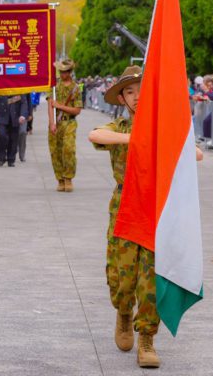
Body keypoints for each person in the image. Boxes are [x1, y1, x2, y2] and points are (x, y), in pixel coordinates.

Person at [88, 65, 160, 368]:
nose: (136, 96)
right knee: (122, 274)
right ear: (122, 98)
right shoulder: (118, 126)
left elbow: (195, 153)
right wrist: (134, 138)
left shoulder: (162, 125)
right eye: (129, 92)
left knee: (152, 275)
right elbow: (95, 134)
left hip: (155, 206)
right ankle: (123, 313)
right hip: (125, 204)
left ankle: (147, 339)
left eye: (141, 90)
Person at [48, 59, 83, 192]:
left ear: (70, 72)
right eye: (61, 71)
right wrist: (52, 123)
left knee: (68, 149)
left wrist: (60, 106)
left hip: (70, 122)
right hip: (56, 123)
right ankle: (60, 179)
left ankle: (68, 178)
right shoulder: (54, 86)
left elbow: (77, 110)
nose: (63, 74)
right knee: (55, 151)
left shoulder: (76, 88)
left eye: (66, 72)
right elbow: (50, 105)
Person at [0, 92, 28, 167]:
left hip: (15, 116)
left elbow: (24, 102)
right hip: (2, 116)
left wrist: (22, 115)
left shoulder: (19, 88)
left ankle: (11, 159)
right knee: (2, 136)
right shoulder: (0, 87)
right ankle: (2, 157)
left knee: (13, 139)